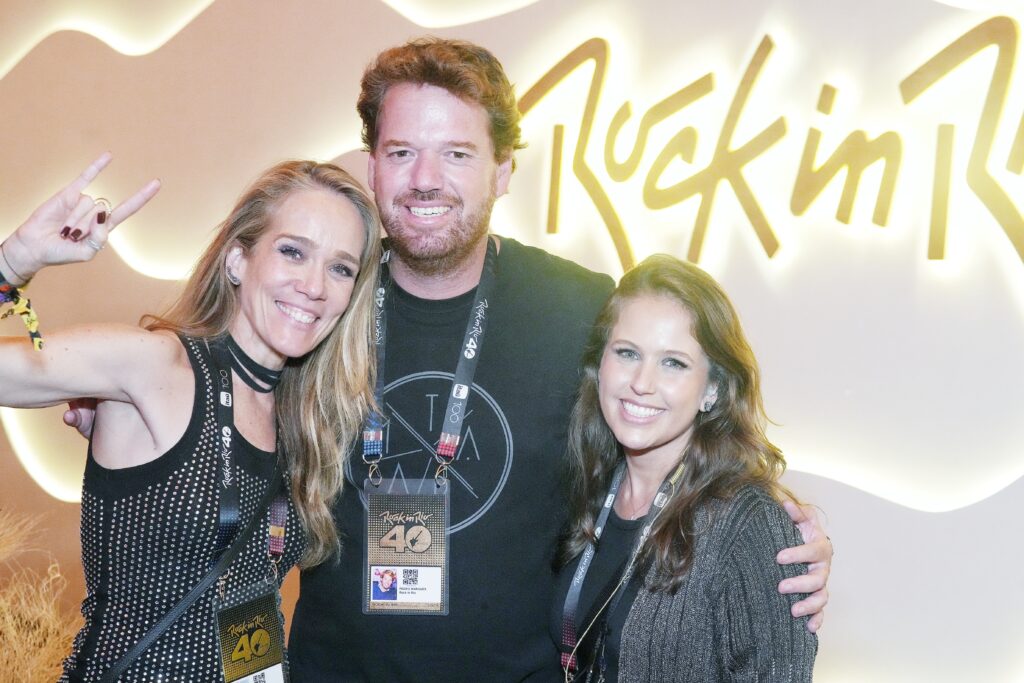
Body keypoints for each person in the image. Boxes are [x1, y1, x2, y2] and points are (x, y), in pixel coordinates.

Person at [287, 38, 832, 682]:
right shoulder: (318, 305)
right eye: (402, 152)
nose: (425, 178)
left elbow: (676, 422)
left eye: (457, 154)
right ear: (373, 165)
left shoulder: (582, 307)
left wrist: (777, 536)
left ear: (503, 170)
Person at [0, 154, 380, 681]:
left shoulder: (301, 417)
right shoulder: (156, 365)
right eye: (293, 252)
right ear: (236, 261)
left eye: (340, 268)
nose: (315, 286)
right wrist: (13, 262)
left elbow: (250, 591)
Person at [552, 254, 817, 682]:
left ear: (712, 388)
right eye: (626, 353)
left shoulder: (748, 523)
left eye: (673, 362)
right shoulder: (591, 488)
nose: (642, 382)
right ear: (599, 366)